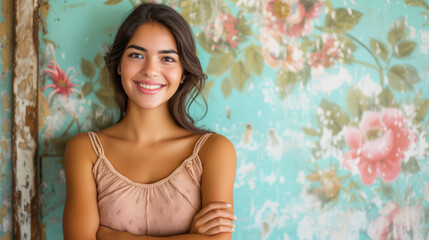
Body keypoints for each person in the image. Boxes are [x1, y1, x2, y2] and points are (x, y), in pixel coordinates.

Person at [62, 3, 237, 240]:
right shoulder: (85, 150)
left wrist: (114, 237)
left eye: (167, 58)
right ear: (119, 66)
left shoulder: (214, 151)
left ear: (183, 72)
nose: (150, 70)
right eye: (136, 55)